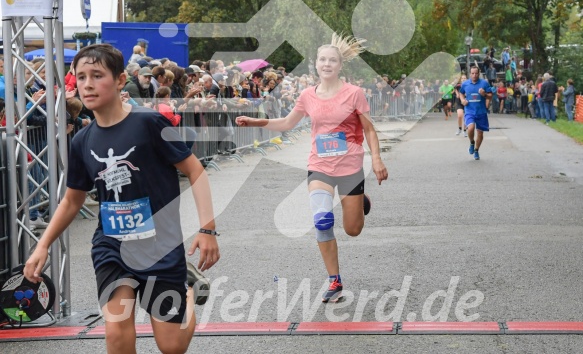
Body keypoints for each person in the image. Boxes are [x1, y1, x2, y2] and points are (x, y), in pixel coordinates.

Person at [24, 44, 220, 354]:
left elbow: (195, 171)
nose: (87, 84)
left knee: (172, 345)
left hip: (158, 244)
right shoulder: (82, 140)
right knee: (116, 333)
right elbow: (72, 200)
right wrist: (43, 244)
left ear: (119, 81)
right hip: (112, 245)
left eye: (97, 75)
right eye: (81, 76)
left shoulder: (149, 124)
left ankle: (189, 292)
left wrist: (207, 230)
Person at [235, 33, 388, 303]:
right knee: (322, 220)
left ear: (340, 65)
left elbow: (369, 129)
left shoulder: (354, 94)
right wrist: (255, 122)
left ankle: (358, 201)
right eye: (322, 60)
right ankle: (334, 281)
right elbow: (286, 123)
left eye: (332, 60)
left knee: (353, 229)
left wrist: (376, 159)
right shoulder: (307, 95)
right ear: (316, 64)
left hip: (350, 165)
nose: (327, 64)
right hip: (320, 165)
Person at [459, 66, 493, 160]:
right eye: (472, 73)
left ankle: (476, 150)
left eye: (476, 73)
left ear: (479, 73)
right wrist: (462, 100)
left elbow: (490, 96)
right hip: (469, 111)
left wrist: (484, 94)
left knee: (480, 133)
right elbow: (461, 93)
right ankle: (472, 142)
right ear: (470, 74)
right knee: (470, 128)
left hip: (481, 112)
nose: (474, 75)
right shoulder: (465, 84)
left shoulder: (484, 83)